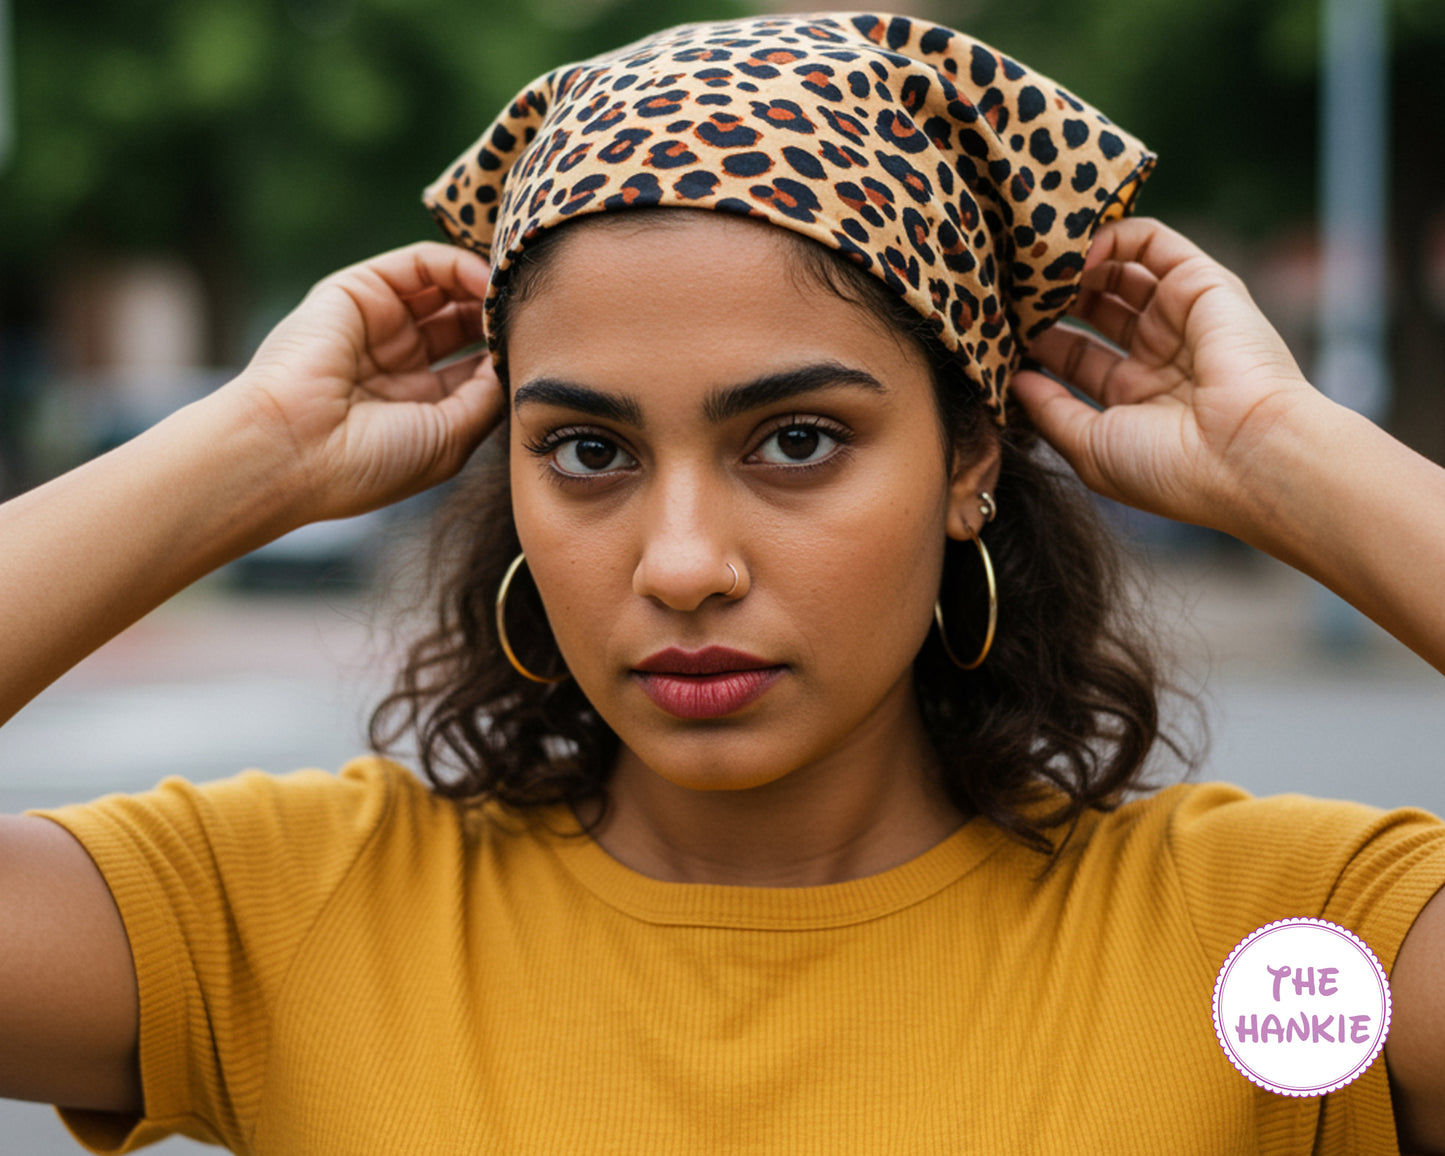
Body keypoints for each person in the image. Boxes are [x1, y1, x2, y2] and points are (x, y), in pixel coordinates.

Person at [1, 11, 1443, 1153]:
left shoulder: (1268, 956)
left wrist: (1281, 451)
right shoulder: (289, 920)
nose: (683, 564)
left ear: (966, 463)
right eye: (584, 450)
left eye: (796, 441)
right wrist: (247, 450)